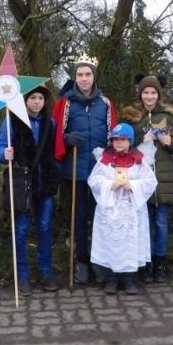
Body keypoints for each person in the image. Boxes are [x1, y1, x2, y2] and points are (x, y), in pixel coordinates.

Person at [53, 55, 117, 285]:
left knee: (101, 216)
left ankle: (100, 260)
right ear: (75, 77)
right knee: (79, 217)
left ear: (94, 76)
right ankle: (81, 261)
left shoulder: (106, 104)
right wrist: (67, 138)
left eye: (87, 74)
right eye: (79, 74)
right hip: (76, 170)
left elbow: (114, 136)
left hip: (101, 170)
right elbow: (55, 132)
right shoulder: (66, 104)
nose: (84, 79)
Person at [0, 86, 62, 295]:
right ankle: (22, 275)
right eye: (32, 97)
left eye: (40, 98)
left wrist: (55, 171)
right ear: (25, 101)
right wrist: (3, 153)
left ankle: (45, 271)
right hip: (22, 184)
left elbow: (55, 151)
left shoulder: (50, 123)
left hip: (45, 183)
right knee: (22, 229)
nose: (36, 102)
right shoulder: (11, 121)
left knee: (44, 227)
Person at [122, 74, 173, 284]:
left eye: (153, 92)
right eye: (146, 92)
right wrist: (140, 139)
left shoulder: (169, 117)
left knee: (161, 222)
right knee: (143, 223)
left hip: (163, 179)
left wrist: (168, 141)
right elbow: (123, 144)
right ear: (141, 94)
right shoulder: (132, 117)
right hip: (139, 178)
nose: (149, 96)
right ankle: (145, 262)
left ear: (159, 94)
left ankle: (160, 262)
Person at [88, 123, 157, 295]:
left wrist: (131, 184)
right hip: (110, 209)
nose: (118, 143)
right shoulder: (104, 161)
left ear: (130, 141)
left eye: (123, 140)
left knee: (130, 243)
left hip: (131, 211)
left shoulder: (139, 161)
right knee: (111, 241)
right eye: (115, 140)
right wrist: (110, 184)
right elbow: (94, 180)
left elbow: (150, 182)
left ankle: (129, 278)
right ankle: (112, 277)